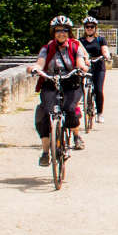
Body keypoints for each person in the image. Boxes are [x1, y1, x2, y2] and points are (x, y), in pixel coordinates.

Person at [33, 15, 87, 166]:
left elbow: (80, 61)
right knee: (44, 115)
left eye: (64, 30)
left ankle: (75, 137)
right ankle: (45, 152)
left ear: (69, 32)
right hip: (50, 84)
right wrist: (36, 68)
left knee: (70, 109)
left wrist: (82, 68)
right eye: (58, 31)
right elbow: (40, 62)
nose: (61, 33)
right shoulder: (47, 48)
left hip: (71, 84)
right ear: (53, 32)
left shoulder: (75, 47)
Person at [79, 16, 109, 124]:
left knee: (98, 90)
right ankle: (83, 99)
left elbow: (105, 50)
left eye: (92, 27)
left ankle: (100, 113)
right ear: (84, 28)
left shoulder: (100, 39)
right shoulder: (81, 41)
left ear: (95, 28)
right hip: (86, 66)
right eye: (87, 27)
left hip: (98, 67)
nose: (89, 29)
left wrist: (106, 55)